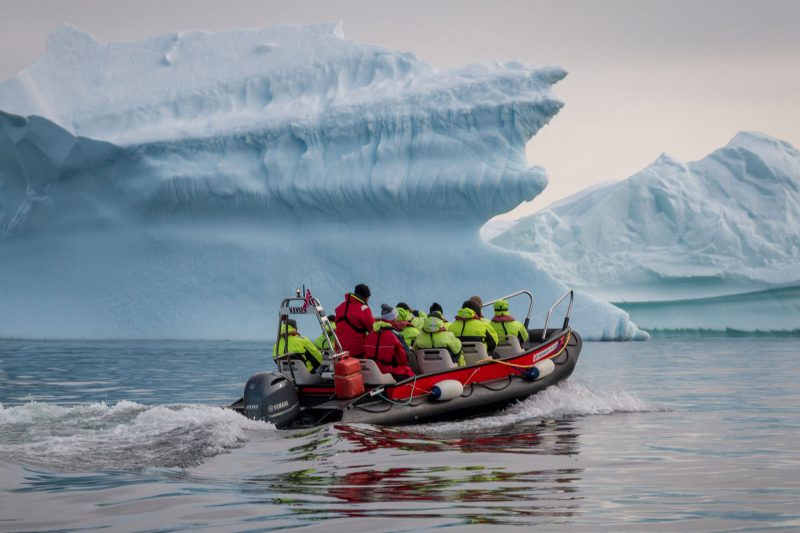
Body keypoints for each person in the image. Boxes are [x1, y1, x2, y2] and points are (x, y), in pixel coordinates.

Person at [363, 304, 415, 380]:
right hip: (391, 372)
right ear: (393, 319)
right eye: (396, 318)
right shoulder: (395, 335)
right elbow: (404, 358)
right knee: (409, 369)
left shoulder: (371, 333)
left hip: (372, 372)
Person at [334, 284, 375, 358]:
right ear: (365, 297)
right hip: (356, 352)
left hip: (339, 352)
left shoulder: (340, 307)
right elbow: (373, 329)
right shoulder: (364, 308)